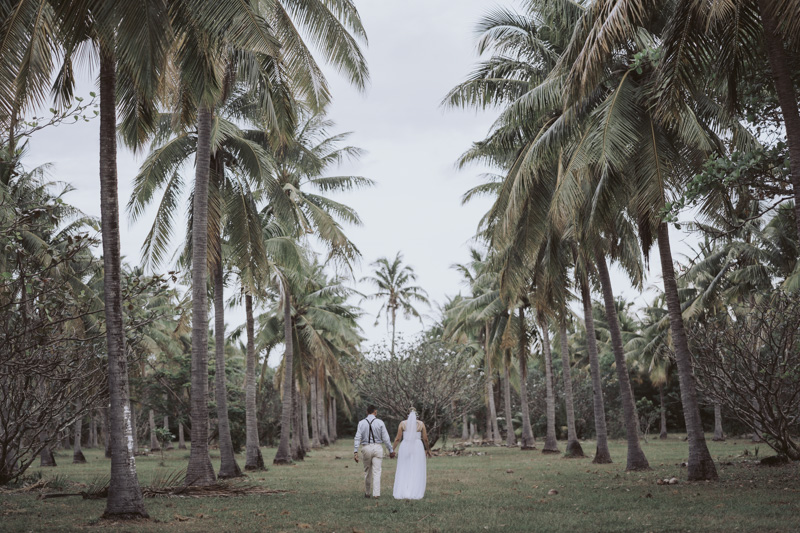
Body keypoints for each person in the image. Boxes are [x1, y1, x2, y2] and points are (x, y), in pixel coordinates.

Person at [353, 405, 395, 498]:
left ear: (367, 412)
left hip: (366, 447)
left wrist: (355, 451)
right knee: (377, 471)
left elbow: (357, 437)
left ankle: (367, 493)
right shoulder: (380, 422)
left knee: (367, 471)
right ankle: (376, 494)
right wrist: (391, 450)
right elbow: (386, 438)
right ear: (375, 412)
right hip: (377, 447)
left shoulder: (361, 423)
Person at [392, 407, 431, 500]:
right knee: (416, 468)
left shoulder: (402, 424)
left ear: (407, 415)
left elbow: (397, 438)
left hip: (405, 446)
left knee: (404, 467)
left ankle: (403, 490)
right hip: (418, 447)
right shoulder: (421, 424)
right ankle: (415, 489)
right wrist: (428, 449)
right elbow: (425, 439)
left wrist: (392, 449)